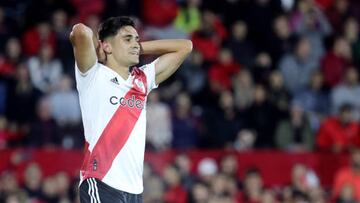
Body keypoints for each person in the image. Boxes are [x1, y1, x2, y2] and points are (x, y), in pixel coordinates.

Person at [69, 16, 192, 202]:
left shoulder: (143, 79)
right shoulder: (93, 74)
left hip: (134, 190)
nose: (135, 44)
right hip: (101, 181)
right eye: (127, 39)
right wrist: (100, 50)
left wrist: (137, 48)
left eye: (136, 39)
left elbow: (185, 46)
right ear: (106, 46)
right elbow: (80, 31)